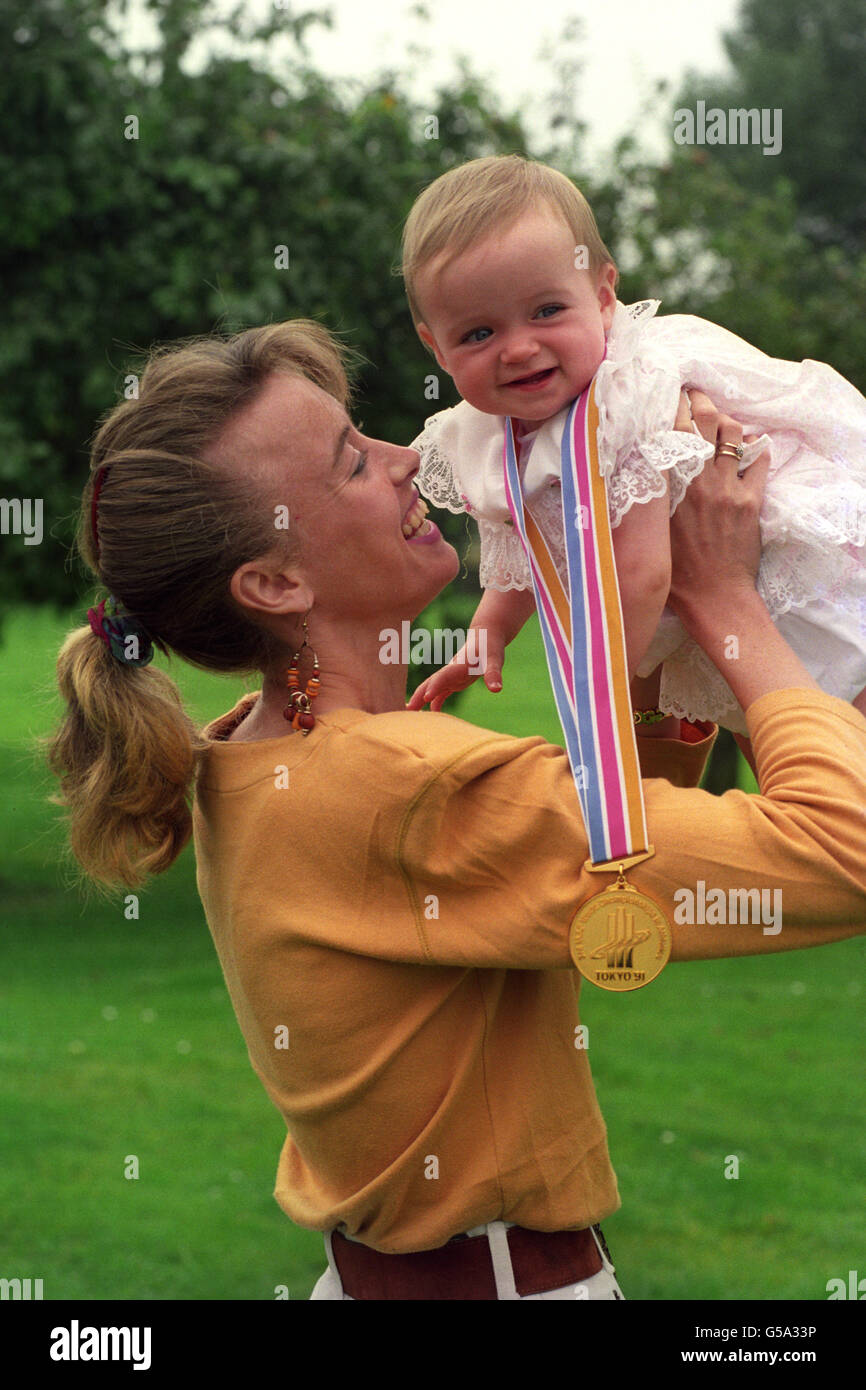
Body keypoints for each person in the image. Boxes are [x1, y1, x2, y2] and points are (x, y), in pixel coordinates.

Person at [48, 318, 866, 1301]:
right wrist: (725, 602)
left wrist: (648, 639)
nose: (406, 461)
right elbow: (840, 851)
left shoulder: (249, 756)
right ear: (272, 582)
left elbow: (606, 859)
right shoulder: (402, 788)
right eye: (352, 463)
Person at [402, 155, 866, 761]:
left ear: (602, 298)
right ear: (435, 347)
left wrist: (603, 695)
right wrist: (484, 638)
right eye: (478, 334)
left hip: (802, 588)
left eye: (547, 311)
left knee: (837, 755)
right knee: (788, 760)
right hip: (730, 623)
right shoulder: (491, 435)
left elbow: (642, 574)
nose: (518, 348)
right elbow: (524, 554)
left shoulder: (626, 397)